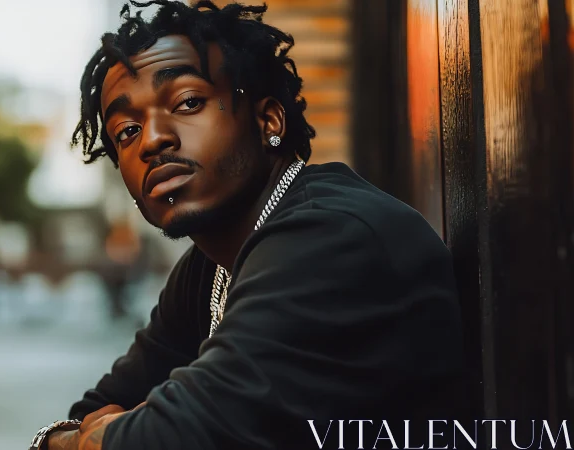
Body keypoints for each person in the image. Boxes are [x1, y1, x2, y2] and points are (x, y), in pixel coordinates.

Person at [28, 1, 466, 449]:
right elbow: (94, 411)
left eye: (188, 102)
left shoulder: (333, 237)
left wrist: (94, 439)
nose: (153, 139)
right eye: (126, 130)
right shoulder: (209, 266)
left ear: (268, 120)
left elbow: (173, 437)